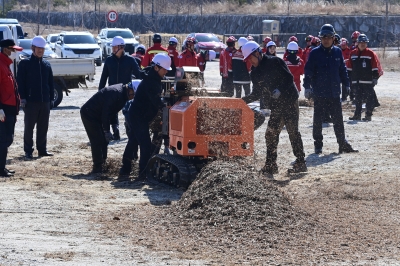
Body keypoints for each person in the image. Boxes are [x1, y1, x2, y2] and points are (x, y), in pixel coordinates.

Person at [241, 41, 307, 175]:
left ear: (257, 53)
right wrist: (241, 101)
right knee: (270, 133)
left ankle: (300, 162)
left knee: (292, 131)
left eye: (250, 58)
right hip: (277, 105)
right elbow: (257, 93)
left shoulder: (275, 61)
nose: (250, 62)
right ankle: (271, 165)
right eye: (247, 60)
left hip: (289, 101)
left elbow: (289, 79)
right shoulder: (255, 73)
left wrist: (280, 90)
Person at [303, 24, 358, 155]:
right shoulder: (314, 53)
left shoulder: (338, 52)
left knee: (338, 120)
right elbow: (308, 71)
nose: (326, 40)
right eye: (324, 37)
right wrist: (306, 87)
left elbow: (342, 70)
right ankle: (318, 145)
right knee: (318, 121)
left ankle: (342, 144)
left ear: (334, 38)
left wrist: (347, 84)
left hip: (334, 92)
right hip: (319, 93)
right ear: (320, 38)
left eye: (329, 37)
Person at [125, 54, 171, 181]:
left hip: (140, 115)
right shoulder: (151, 83)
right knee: (145, 145)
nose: (166, 71)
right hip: (138, 116)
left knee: (134, 141)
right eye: (165, 69)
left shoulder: (153, 77)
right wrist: (168, 107)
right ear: (156, 68)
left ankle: (125, 170)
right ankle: (143, 174)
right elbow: (157, 102)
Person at [80, 83, 135, 174]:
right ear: (129, 89)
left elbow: (113, 112)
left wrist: (114, 125)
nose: (132, 97)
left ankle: (103, 164)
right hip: (89, 114)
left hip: (98, 115)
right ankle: (97, 167)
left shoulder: (122, 95)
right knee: (97, 140)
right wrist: (106, 131)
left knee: (104, 141)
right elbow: (106, 113)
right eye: (133, 94)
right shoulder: (115, 93)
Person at [17, 36, 54, 159]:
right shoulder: (25, 64)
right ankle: (28, 150)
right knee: (29, 127)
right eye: (38, 48)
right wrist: (22, 98)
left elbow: (50, 83)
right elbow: (20, 83)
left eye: (42, 48)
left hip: (45, 102)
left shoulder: (46, 65)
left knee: (43, 127)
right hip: (30, 101)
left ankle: (42, 149)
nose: (40, 51)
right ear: (33, 48)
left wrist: (51, 98)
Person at [98, 36, 141, 141]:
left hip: (126, 92)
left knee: (128, 113)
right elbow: (104, 77)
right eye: (112, 47)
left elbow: (139, 74)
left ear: (121, 47)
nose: (112, 49)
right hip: (112, 91)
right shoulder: (109, 60)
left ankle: (130, 130)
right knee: (112, 112)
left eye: (114, 47)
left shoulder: (130, 60)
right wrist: (100, 92)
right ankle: (115, 130)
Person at [0, 39, 22, 177]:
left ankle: (2, 167)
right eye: (13, 49)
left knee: (7, 139)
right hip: (4, 110)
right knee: (3, 140)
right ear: (5, 50)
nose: (15, 52)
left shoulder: (6, 64)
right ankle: (0, 169)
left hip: (10, 109)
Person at [347, 34, 381, 122]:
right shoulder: (352, 53)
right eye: (361, 42)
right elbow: (349, 68)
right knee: (357, 99)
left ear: (367, 43)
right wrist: (348, 79)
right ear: (357, 43)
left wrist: (375, 78)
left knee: (369, 99)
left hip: (368, 81)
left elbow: (375, 66)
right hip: (356, 81)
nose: (362, 44)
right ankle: (357, 115)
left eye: (364, 42)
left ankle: (368, 115)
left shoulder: (370, 53)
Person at [340, 38, 353, 102]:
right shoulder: (338, 51)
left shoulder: (350, 50)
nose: (343, 46)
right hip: (341, 69)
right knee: (343, 84)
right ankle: (343, 97)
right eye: (342, 45)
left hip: (349, 69)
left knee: (350, 83)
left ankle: (351, 97)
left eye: (344, 45)